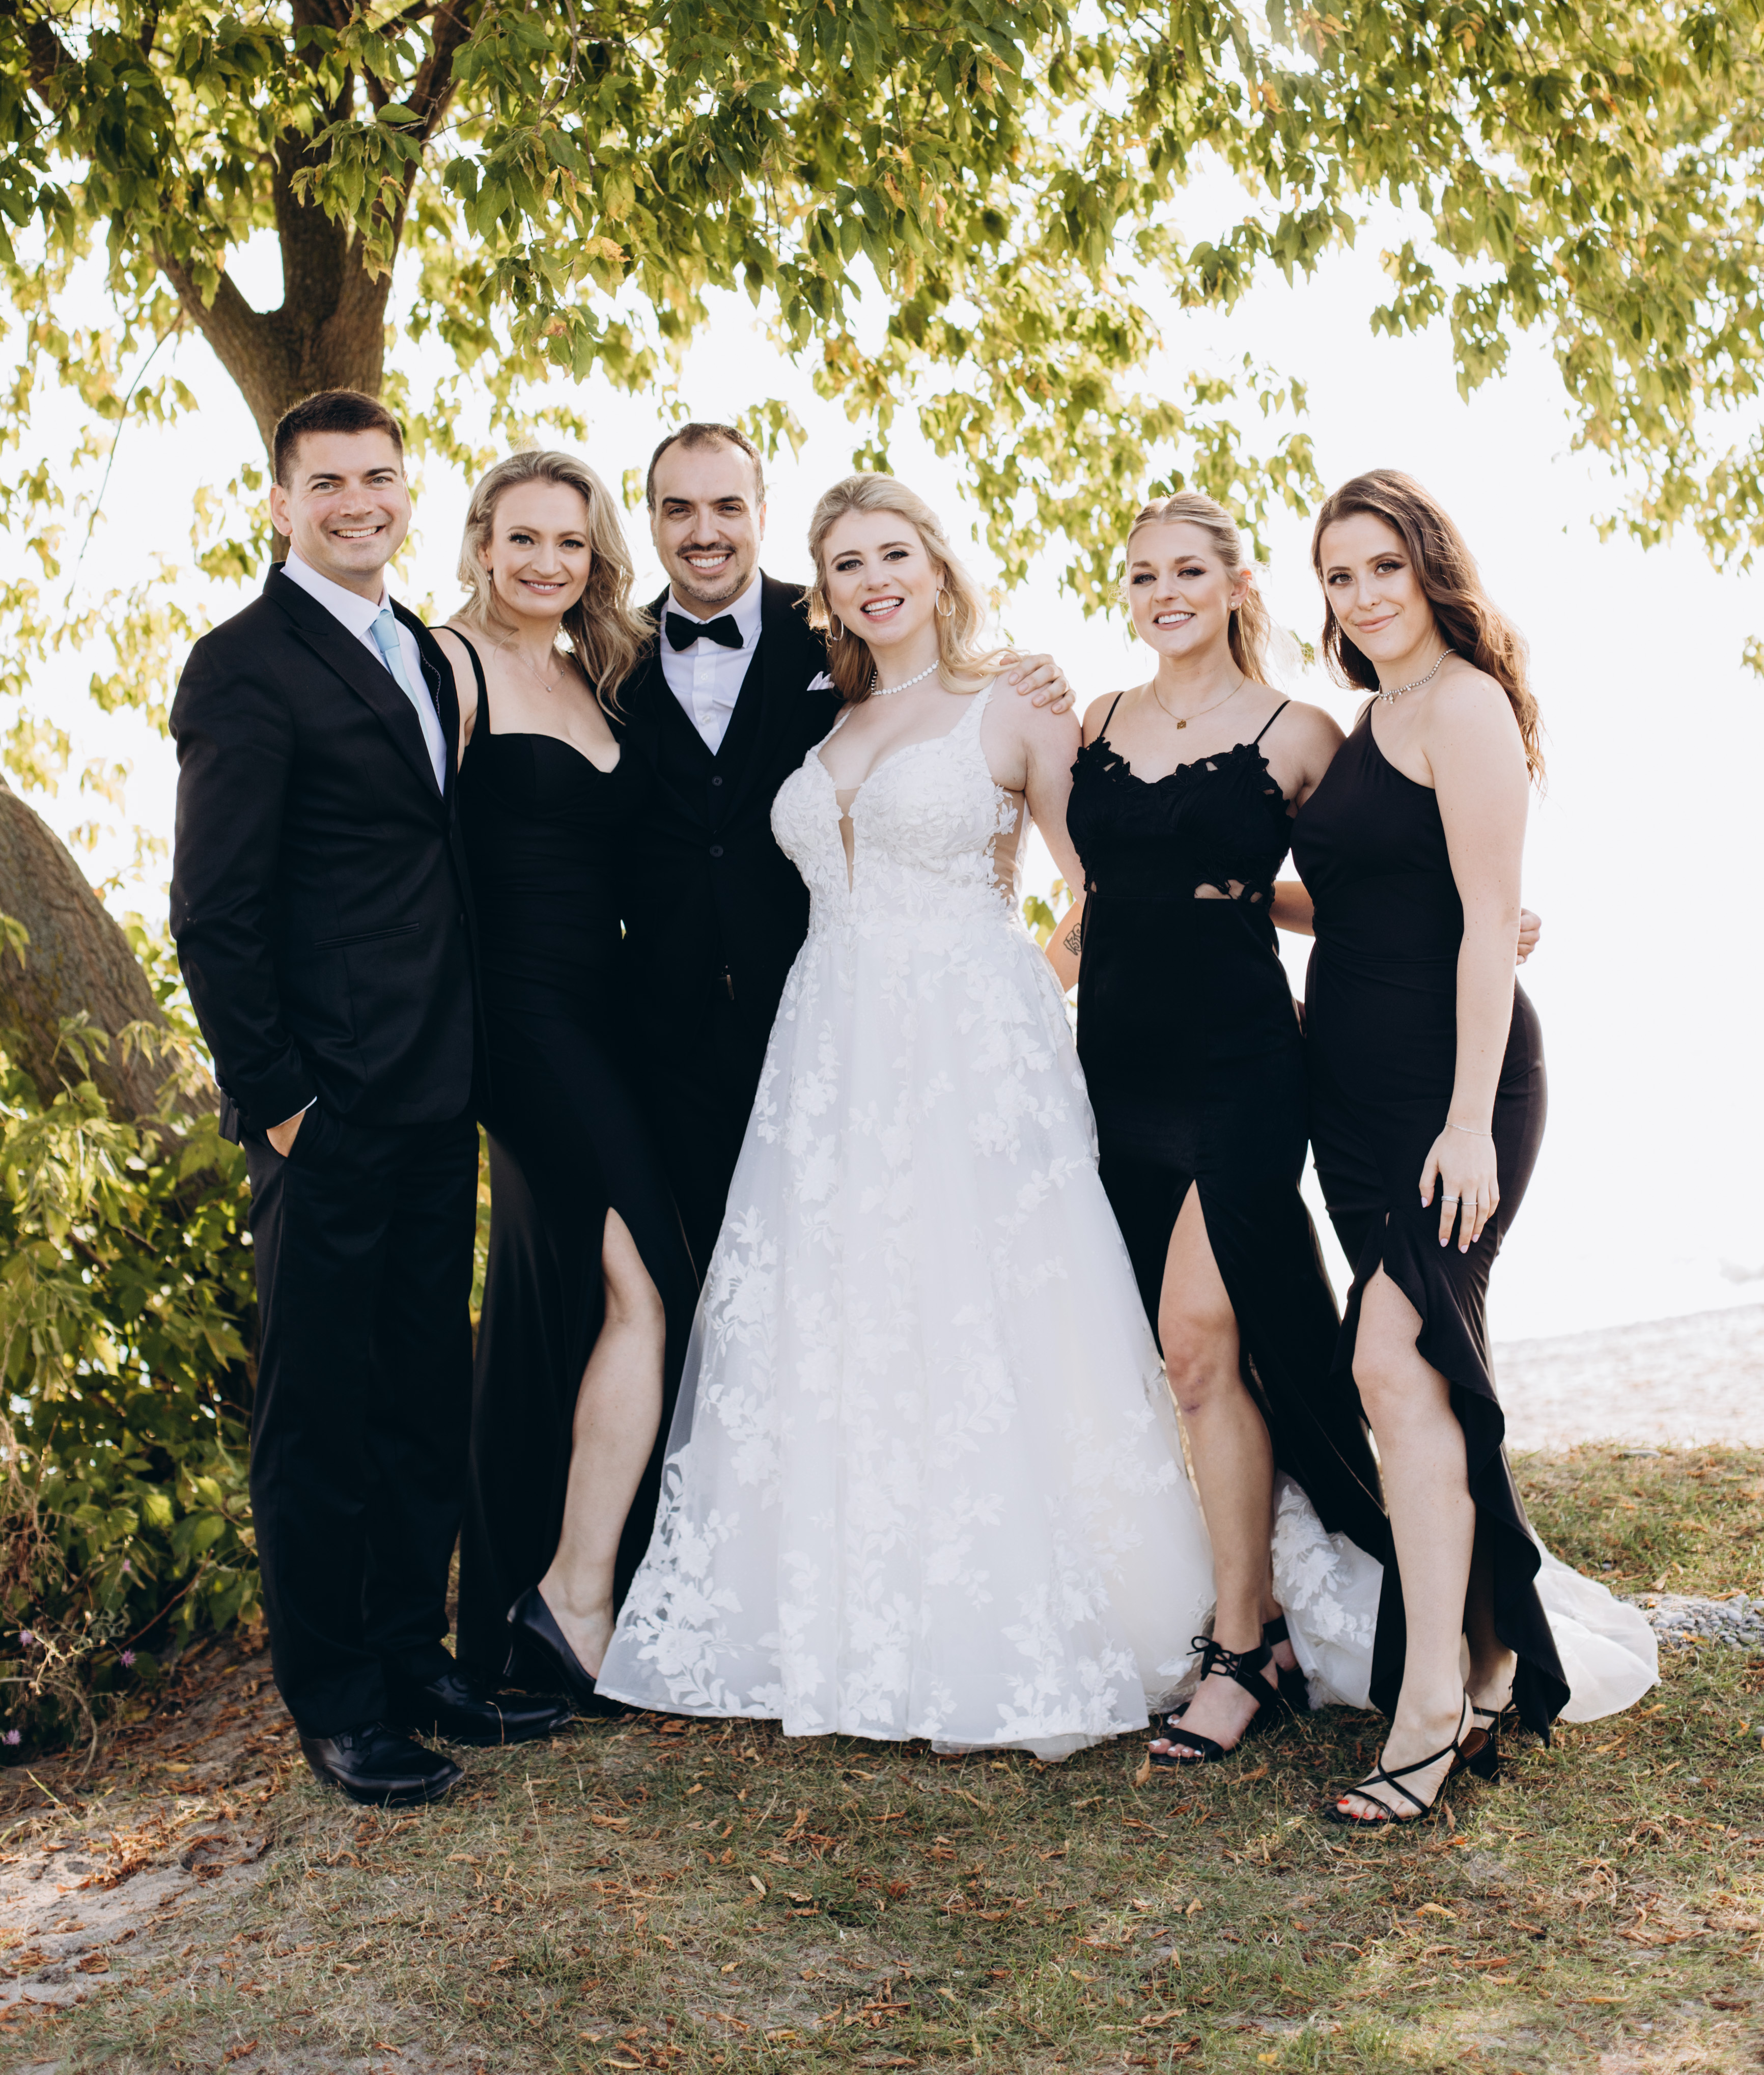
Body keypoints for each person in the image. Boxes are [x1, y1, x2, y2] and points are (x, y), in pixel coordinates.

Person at [597, 474, 1218, 1756]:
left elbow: (1103, 887)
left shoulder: (1015, 703)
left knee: (988, 1306)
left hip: (968, 1054)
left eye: (891, 554)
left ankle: (1031, 1612)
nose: (872, 579)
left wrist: (1016, 982)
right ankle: (846, 1617)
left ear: (935, 567)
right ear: (822, 592)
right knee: (849, 1312)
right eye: (844, 563)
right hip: (827, 1059)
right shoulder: (824, 720)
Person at [168, 391, 565, 1809]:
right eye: (327, 482)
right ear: (281, 503)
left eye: (379, 478)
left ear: (407, 493)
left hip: (436, 1087)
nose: (357, 503)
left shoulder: (421, 651)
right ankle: (336, 1700)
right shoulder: (242, 665)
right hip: (327, 1107)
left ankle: (413, 1660)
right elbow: (213, 911)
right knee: (319, 1417)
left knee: (419, 1397)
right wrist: (280, 1100)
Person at [1287, 470, 1645, 1825]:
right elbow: (1361, 902)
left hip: (1453, 1094)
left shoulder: (1466, 706)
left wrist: (1463, 1121)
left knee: (1390, 1361)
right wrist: (1221, 895)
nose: (1361, 595)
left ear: (1431, 569)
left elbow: (1491, 922)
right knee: (1426, 1378)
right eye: (1338, 576)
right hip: (1347, 1093)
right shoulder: (1371, 719)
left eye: (1382, 566)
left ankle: (1430, 1702)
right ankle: (1491, 1661)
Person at [1052, 493, 1390, 1765]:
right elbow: (1099, 896)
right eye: (1142, 575)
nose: (1164, 594)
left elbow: (1351, 883)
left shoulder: (1297, 732)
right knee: (1191, 1363)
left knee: (1196, 1344)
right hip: (1114, 1069)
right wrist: (1011, 1005)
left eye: (1188, 571)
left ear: (1238, 584)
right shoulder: (1094, 720)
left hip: (1244, 1065)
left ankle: (1237, 1646)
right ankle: (1268, 1620)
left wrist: (1459, 919)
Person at [617, 422, 1072, 1274]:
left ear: (761, 514)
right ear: (649, 519)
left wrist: (1018, 998)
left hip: (921, 1030)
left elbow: (1092, 879)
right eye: (679, 509)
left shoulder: (828, 639)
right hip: (719, 1034)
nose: (705, 530)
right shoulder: (605, 652)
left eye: (727, 506)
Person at [433, 451, 699, 1716]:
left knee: (568, 1303)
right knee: (648, 1285)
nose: (547, 562)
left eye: (572, 543)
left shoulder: (599, 672)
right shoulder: (447, 667)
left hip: (609, 1017)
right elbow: (404, 851)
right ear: (482, 543)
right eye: (525, 538)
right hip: (517, 1020)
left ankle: (551, 1596)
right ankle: (571, 1600)